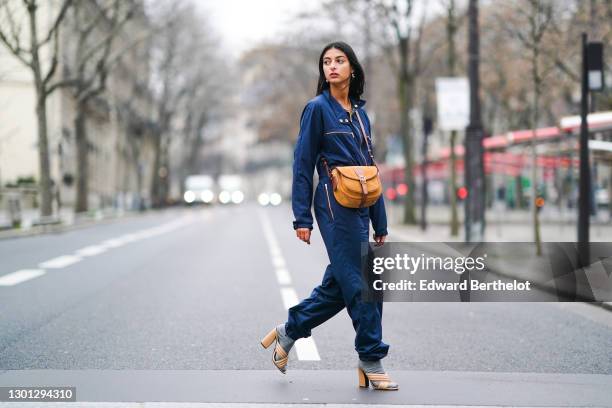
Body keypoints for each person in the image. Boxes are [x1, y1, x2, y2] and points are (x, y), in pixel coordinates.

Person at [260, 41, 398, 391]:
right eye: (326, 62)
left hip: (362, 206)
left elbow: (371, 169)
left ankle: (289, 330)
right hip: (333, 204)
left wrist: (380, 221)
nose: (332, 66)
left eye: (339, 61)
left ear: (352, 68)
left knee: (339, 284)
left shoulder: (361, 114)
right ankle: (370, 356)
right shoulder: (316, 109)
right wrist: (301, 217)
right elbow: (303, 164)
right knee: (363, 282)